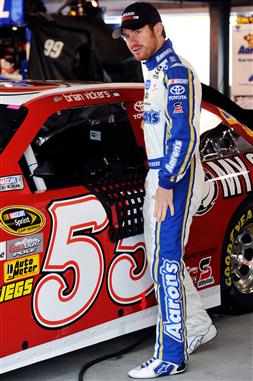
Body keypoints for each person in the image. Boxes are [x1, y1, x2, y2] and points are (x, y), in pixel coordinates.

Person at [112, 2, 217, 379]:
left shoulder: (176, 71)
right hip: (160, 176)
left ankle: (171, 355)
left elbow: (183, 135)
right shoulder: (152, 71)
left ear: (158, 29)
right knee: (161, 259)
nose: (131, 41)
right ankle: (198, 326)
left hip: (175, 176)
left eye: (137, 32)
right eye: (126, 35)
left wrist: (167, 183)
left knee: (166, 263)